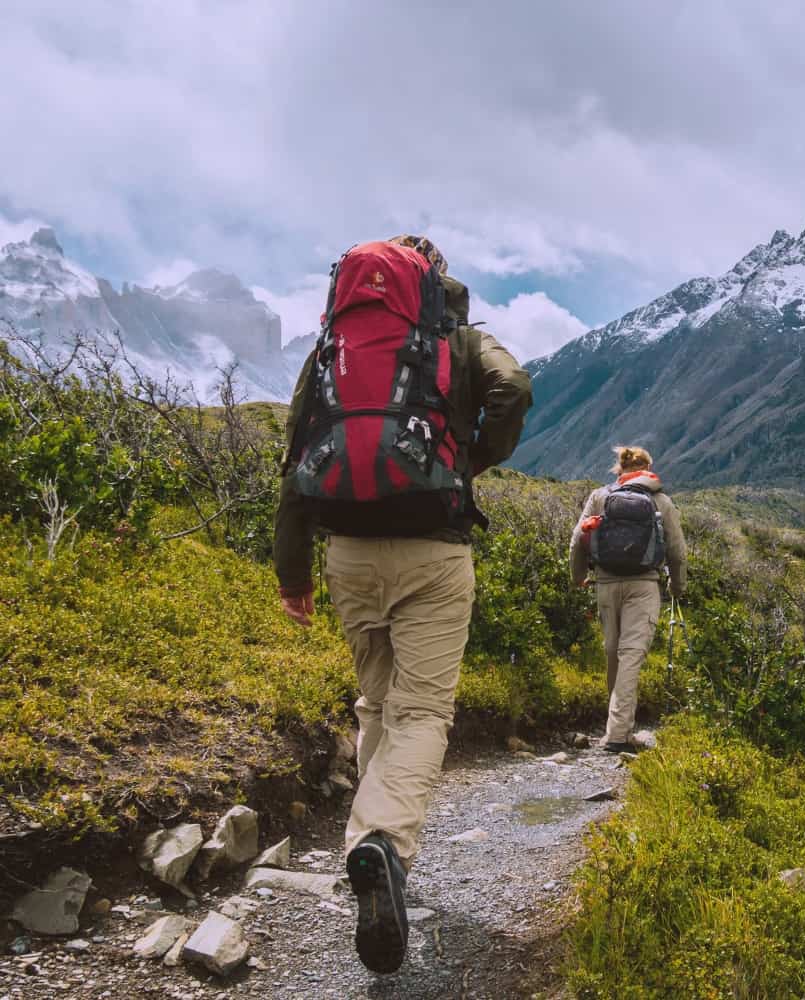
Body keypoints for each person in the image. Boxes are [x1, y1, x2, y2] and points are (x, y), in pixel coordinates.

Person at [273, 234, 531, 974]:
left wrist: (294, 575)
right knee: (422, 711)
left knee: (376, 702)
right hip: (434, 548)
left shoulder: (334, 348)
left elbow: (297, 457)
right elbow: (515, 390)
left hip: (348, 551)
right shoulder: (459, 340)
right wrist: (472, 457)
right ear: (434, 281)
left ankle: (368, 843)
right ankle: (379, 843)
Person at [569, 446, 687, 752]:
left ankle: (616, 725)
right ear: (648, 468)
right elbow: (677, 552)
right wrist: (676, 587)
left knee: (613, 653)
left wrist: (578, 576)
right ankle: (619, 735)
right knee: (631, 656)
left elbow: (578, 539)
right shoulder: (661, 501)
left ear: (618, 470)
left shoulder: (600, 496)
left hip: (606, 585)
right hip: (644, 586)